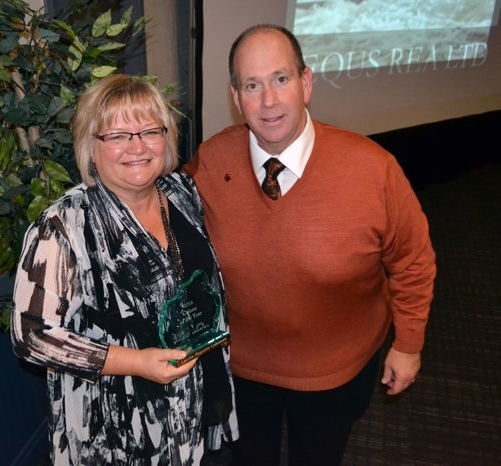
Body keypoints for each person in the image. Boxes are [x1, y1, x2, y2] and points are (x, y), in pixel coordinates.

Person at [184, 24, 436, 466]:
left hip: (333, 371)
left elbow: (413, 261)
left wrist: (408, 343)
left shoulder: (373, 170)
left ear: (306, 82)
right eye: (252, 85)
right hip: (241, 367)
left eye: (281, 79)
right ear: (235, 96)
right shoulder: (211, 161)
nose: (268, 101)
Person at [11, 74, 238, 465]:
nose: (136, 146)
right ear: (90, 147)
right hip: (120, 426)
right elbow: (30, 335)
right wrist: (134, 362)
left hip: (197, 397)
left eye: (150, 131)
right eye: (117, 135)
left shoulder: (182, 194)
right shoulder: (64, 226)